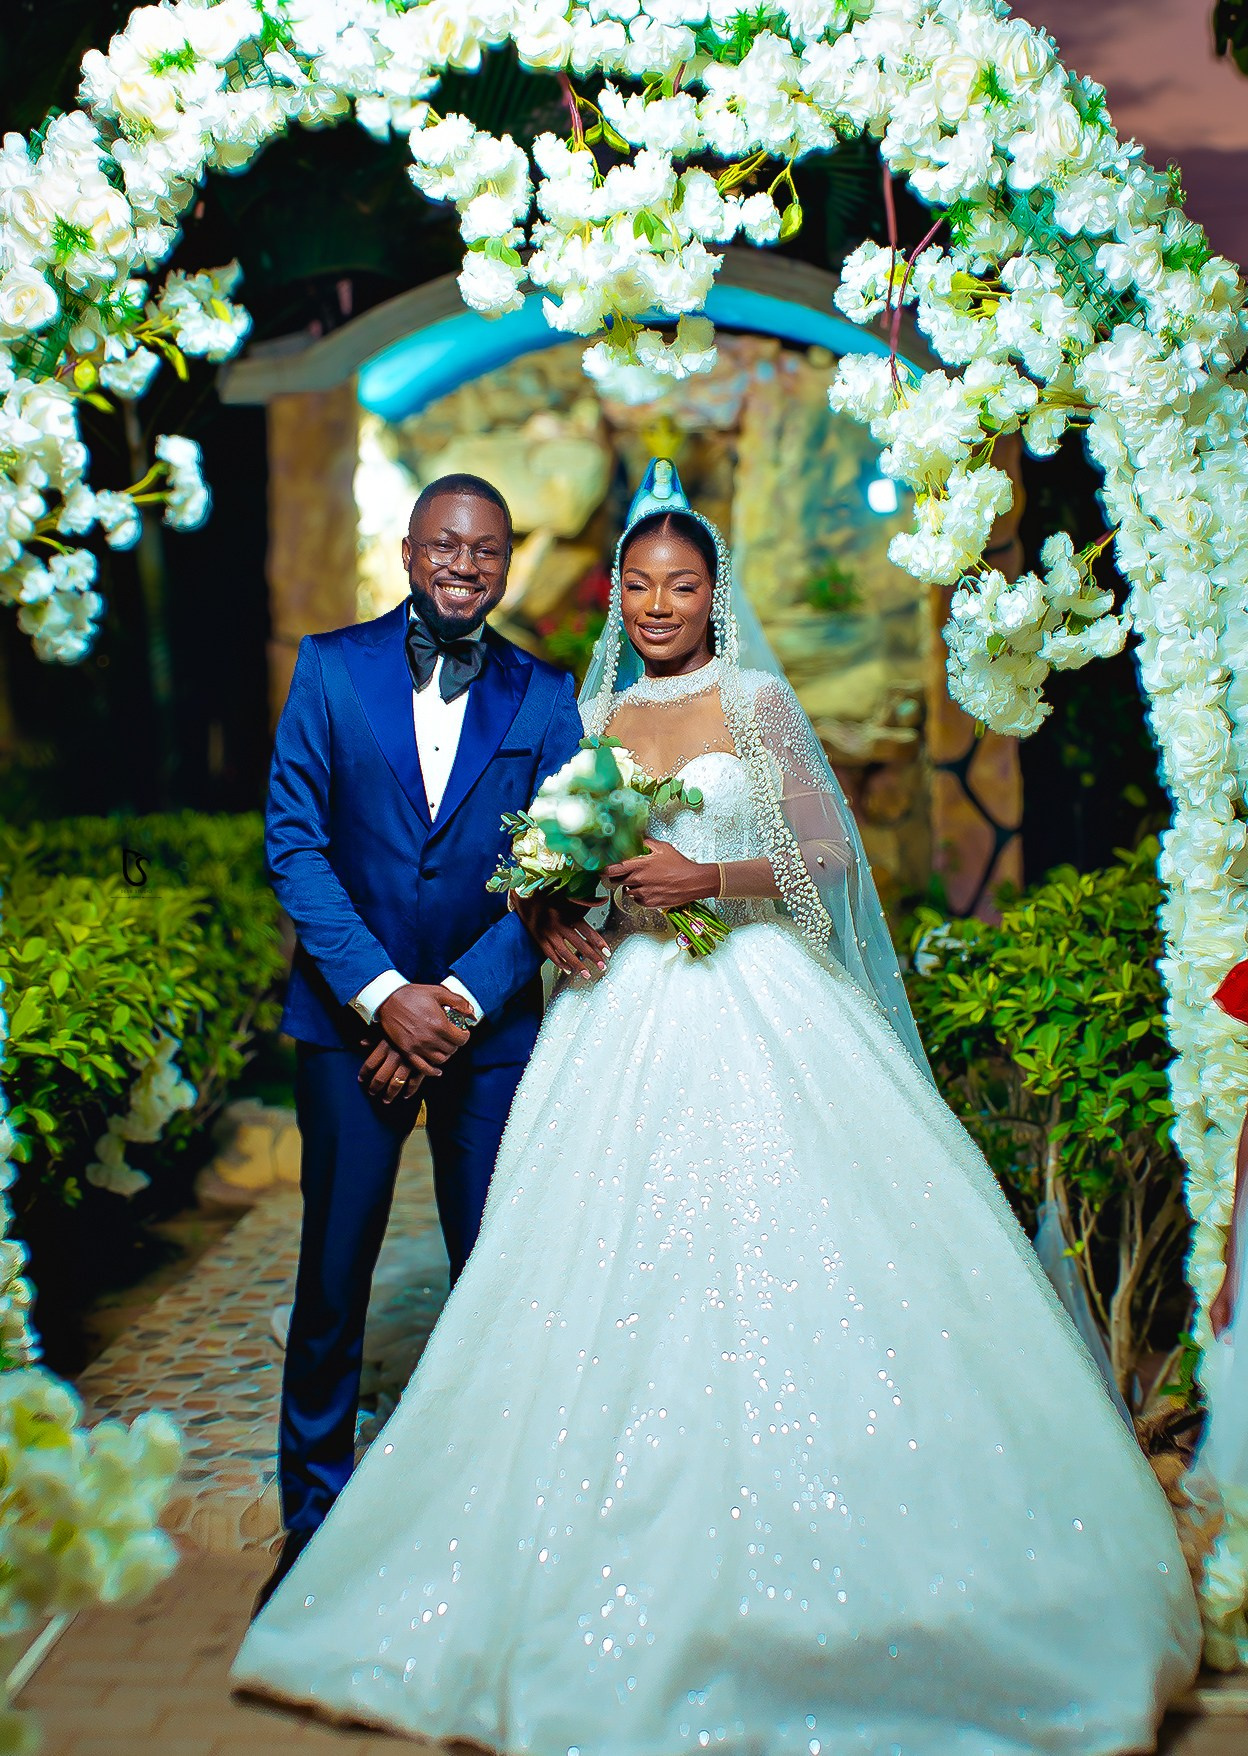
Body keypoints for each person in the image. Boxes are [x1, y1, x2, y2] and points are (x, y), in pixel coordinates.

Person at [235, 461, 1201, 1752]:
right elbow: (528, 865)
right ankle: (358, 1540)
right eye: (638, 585)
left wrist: (705, 880)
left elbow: (826, 855)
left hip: (746, 1005)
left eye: (680, 585)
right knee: (464, 1281)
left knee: (770, 1265)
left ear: (713, 594)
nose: (657, 604)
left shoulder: (740, 701)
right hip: (579, 1013)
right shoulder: (586, 710)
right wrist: (547, 917)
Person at [257, 472, 583, 1612]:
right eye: (446, 544)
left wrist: (450, 1005)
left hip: (485, 1036)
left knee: (494, 1276)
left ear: (506, 565)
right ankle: (310, 1529)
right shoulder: (329, 668)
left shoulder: (546, 697)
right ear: (407, 552)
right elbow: (295, 845)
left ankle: (493, 1527)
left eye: (486, 550)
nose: (464, 565)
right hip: (346, 1028)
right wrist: (383, 995)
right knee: (332, 1279)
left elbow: (562, 868)